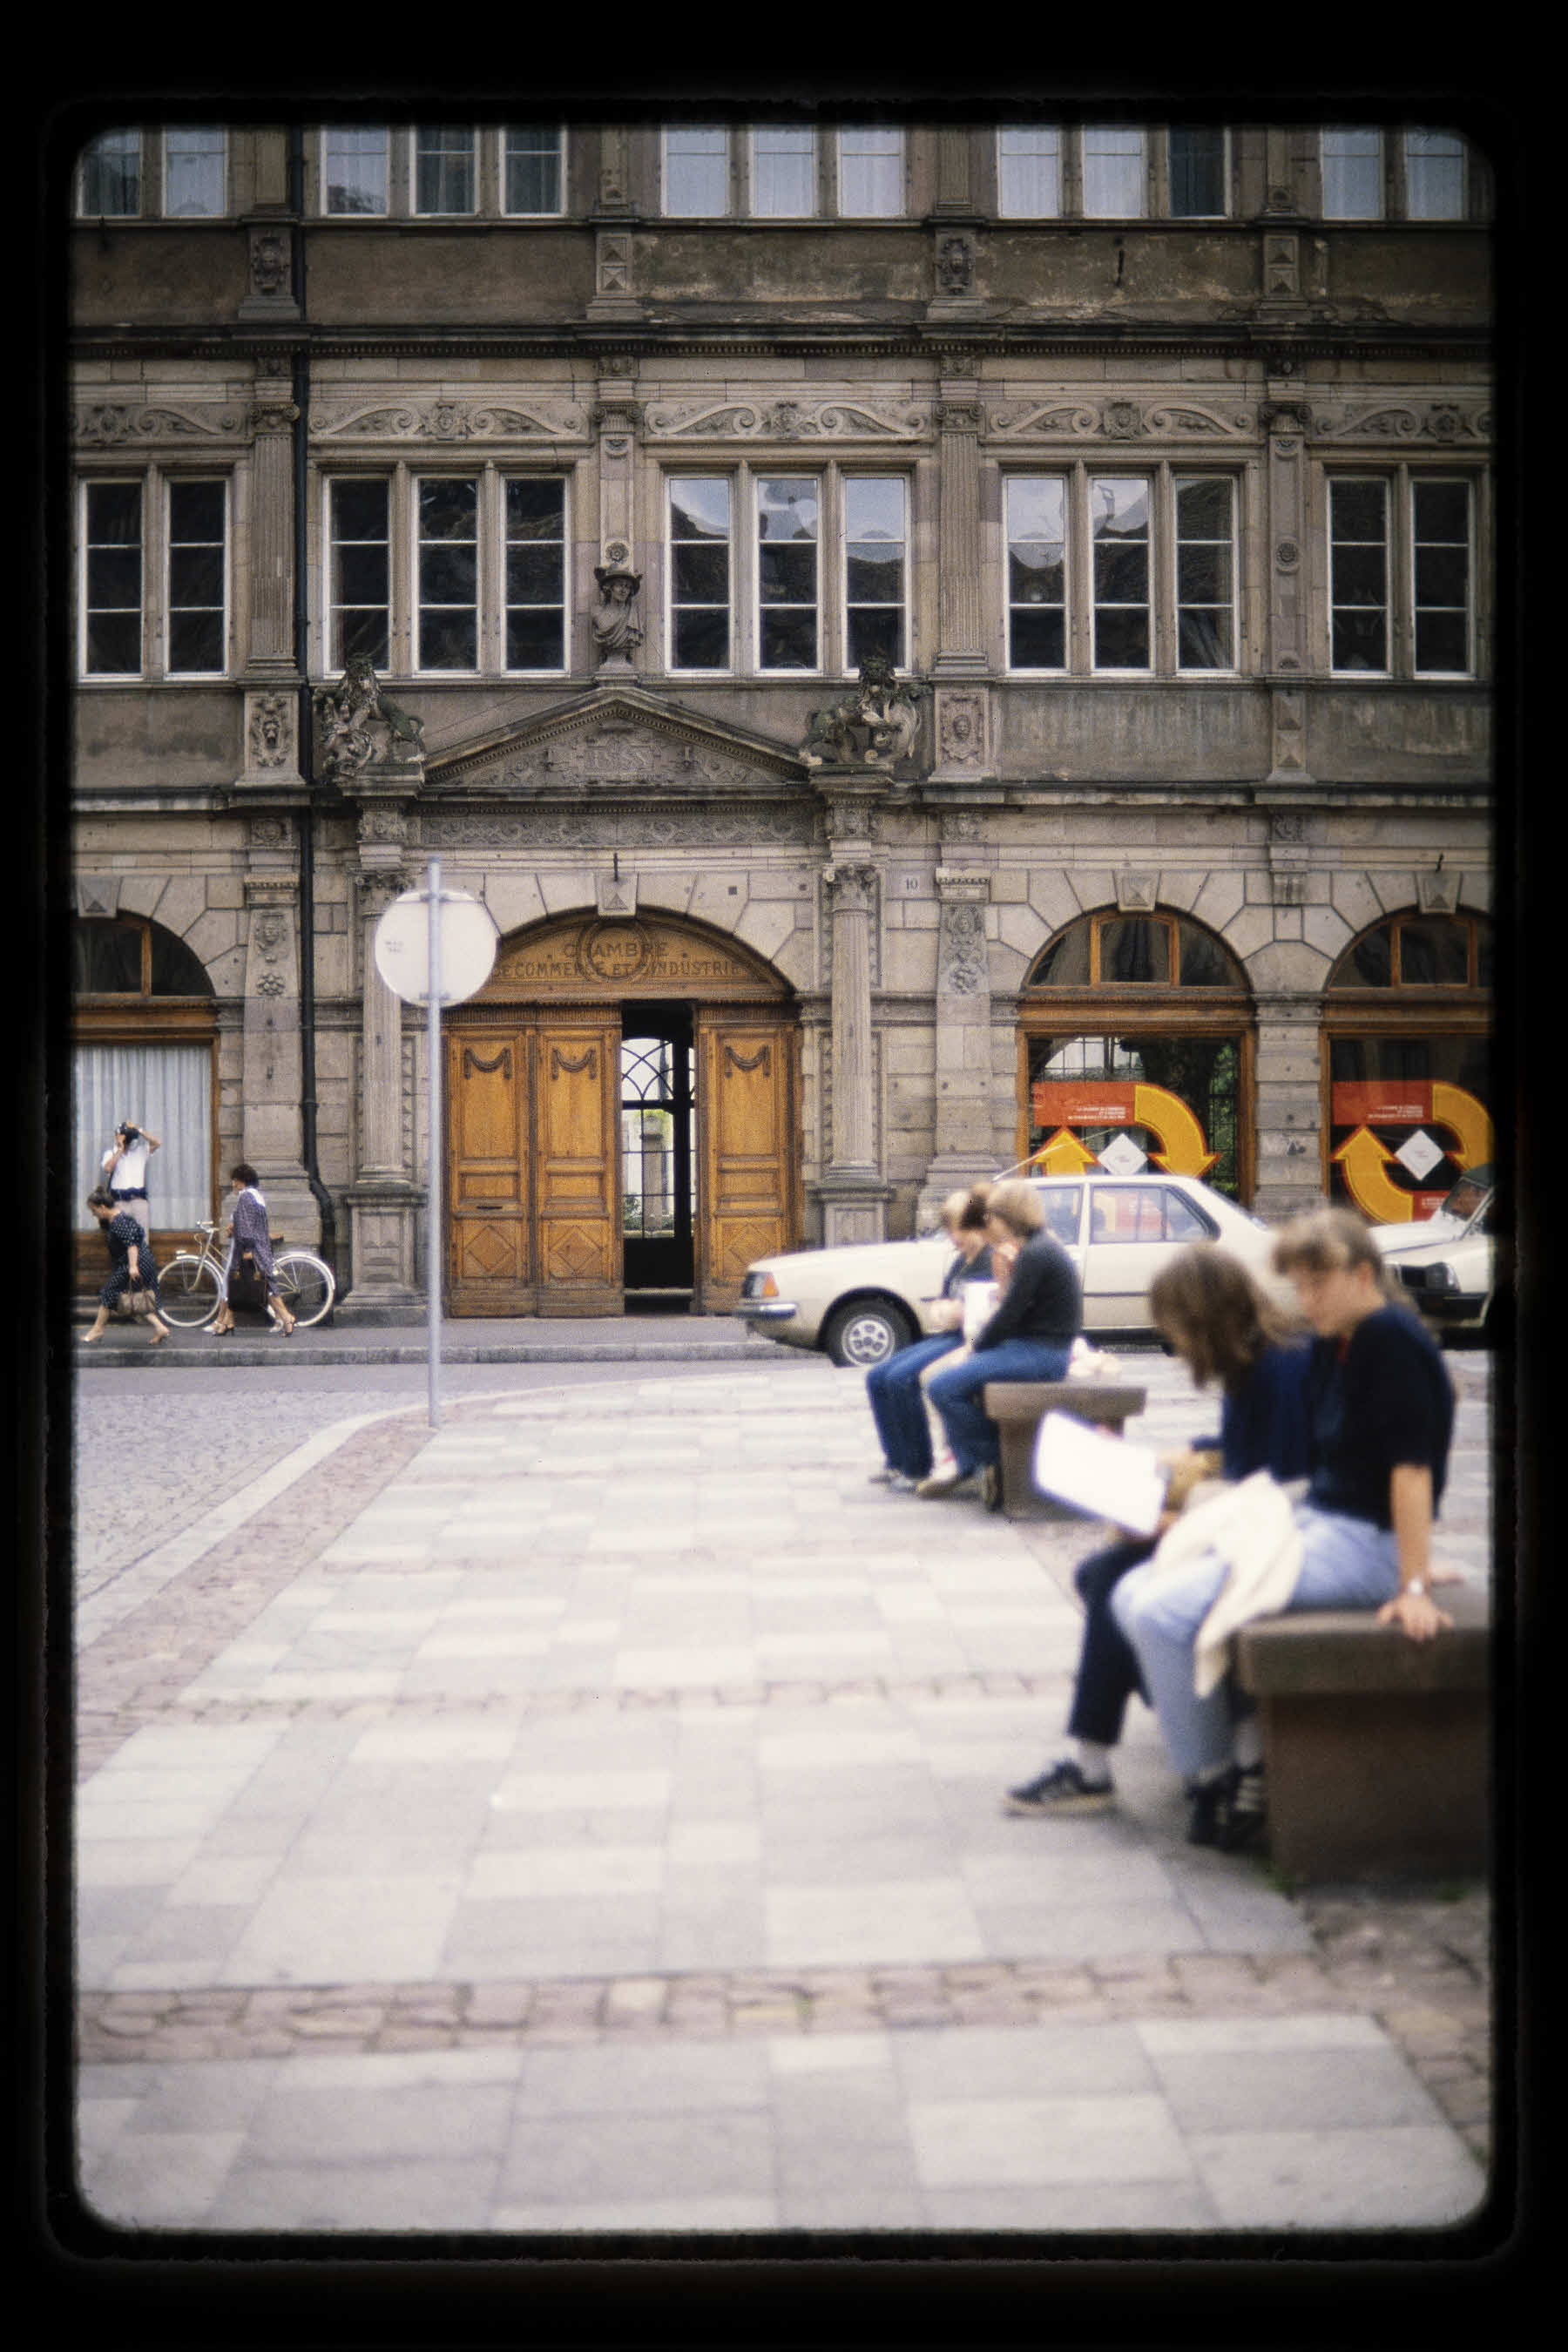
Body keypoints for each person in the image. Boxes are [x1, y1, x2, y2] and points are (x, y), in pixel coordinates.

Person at [1111, 1204, 1456, 1853]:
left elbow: (1411, 1470)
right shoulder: (1334, 1343)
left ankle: (1217, 1776)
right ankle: (1238, 1758)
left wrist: (1412, 1580)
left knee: (1159, 1611)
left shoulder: (1390, 1342)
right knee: (1132, 1593)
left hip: (1358, 1542)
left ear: (1362, 1275)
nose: (1306, 1298)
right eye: (1299, 1284)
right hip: (1318, 1522)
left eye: (1318, 1283)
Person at [1004, 1247, 1313, 1833]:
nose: (1173, 1344)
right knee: (1102, 1575)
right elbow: (1240, 1457)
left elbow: (1274, 1494)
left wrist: (1164, 1521)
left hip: (1283, 1539)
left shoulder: (1279, 1371)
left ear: (1203, 1319)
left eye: (1174, 1328)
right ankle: (1169, 1737)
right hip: (1253, 1523)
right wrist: (1147, 1467)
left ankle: (1108, 1767)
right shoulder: (1257, 1363)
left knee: (1109, 1579)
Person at [918, 1178, 1082, 1504]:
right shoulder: (1036, 1248)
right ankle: (982, 1460)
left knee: (942, 1386)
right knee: (951, 1383)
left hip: (1042, 1354)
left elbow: (1007, 1315)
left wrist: (977, 1350)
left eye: (992, 1216)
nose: (987, 1222)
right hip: (1034, 1347)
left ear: (1009, 1217)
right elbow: (1012, 1311)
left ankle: (992, 1458)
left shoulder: (1036, 1253)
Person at [866, 1186, 993, 1490]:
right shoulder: (963, 1261)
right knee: (877, 1376)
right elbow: (944, 1303)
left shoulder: (988, 1260)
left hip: (967, 1339)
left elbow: (975, 1311)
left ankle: (916, 1466)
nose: (954, 1236)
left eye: (960, 1228)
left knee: (901, 1378)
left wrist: (950, 1311)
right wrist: (946, 1310)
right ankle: (895, 1460)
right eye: (950, 1229)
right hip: (948, 1334)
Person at [209, 1163, 296, 1336]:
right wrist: (235, 1227)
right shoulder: (256, 1197)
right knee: (256, 1284)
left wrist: (247, 1250)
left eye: (235, 1180)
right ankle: (227, 1321)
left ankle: (286, 1317)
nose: (233, 1184)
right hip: (260, 1246)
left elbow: (247, 1228)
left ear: (242, 1181)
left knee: (252, 1284)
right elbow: (251, 1223)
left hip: (251, 1249)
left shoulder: (246, 1197)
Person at [81, 1185, 172, 1347]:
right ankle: (160, 1328)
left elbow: (132, 1245)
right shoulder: (116, 1219)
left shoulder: (119, 1221)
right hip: (137, 1262)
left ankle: (97, 1329)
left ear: (103, 1207)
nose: (94, 1214)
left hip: (135, 1263)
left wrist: (133, 1267)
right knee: (135, 1297)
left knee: (109, 1293)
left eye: (94, 1210)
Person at [99, 1118, 161, 1236]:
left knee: (141, 1238)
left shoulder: (141, 1152)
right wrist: (120, 1149)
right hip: (119, 1202)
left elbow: (157, 1143)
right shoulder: (110, 1153)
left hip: (139, 1201)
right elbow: (108, 1169)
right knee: (120, 1239)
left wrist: (138, 1130)